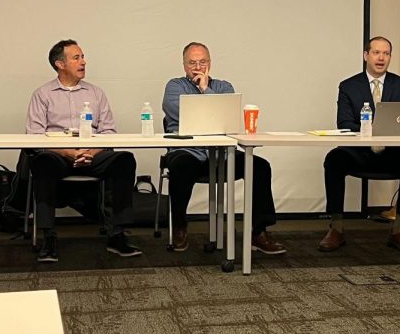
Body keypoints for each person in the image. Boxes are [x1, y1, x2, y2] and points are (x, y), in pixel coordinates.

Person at [162, 42, 286, 256]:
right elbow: (179, 112)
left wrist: (204, 89)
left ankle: (259, 232)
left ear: (210, 63)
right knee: (182, 166)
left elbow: (226, 116)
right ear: (184, 65)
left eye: (202, 62)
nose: (197, 67)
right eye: (192, 62)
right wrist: (206, 103)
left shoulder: (223, 87)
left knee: (260, 166)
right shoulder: (174, 86)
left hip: (220, 153)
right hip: (187, 151)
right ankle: (180, 226)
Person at [26, 40, 142, 262]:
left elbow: (109, 132)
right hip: (59, 155)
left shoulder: (96, 93)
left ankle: (117, 235)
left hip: (93, 153)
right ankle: (48, 236)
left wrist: (91, 151)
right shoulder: (43, 94)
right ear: (60, 64)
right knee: (42, 162)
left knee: (124, 160)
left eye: (83, 56)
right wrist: (68, 152)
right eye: (76, 57)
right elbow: (35, 136)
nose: (83, 61)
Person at [318, 36, 400, 255]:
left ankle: (399, 229)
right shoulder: (348, 86)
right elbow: (345, 123)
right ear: (366, 55)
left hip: (392, 152)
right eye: (376, 52)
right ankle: (336, 227)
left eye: (386, 54)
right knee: (334, 159)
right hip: (360, 152)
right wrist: (373, 129)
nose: (381, 58)